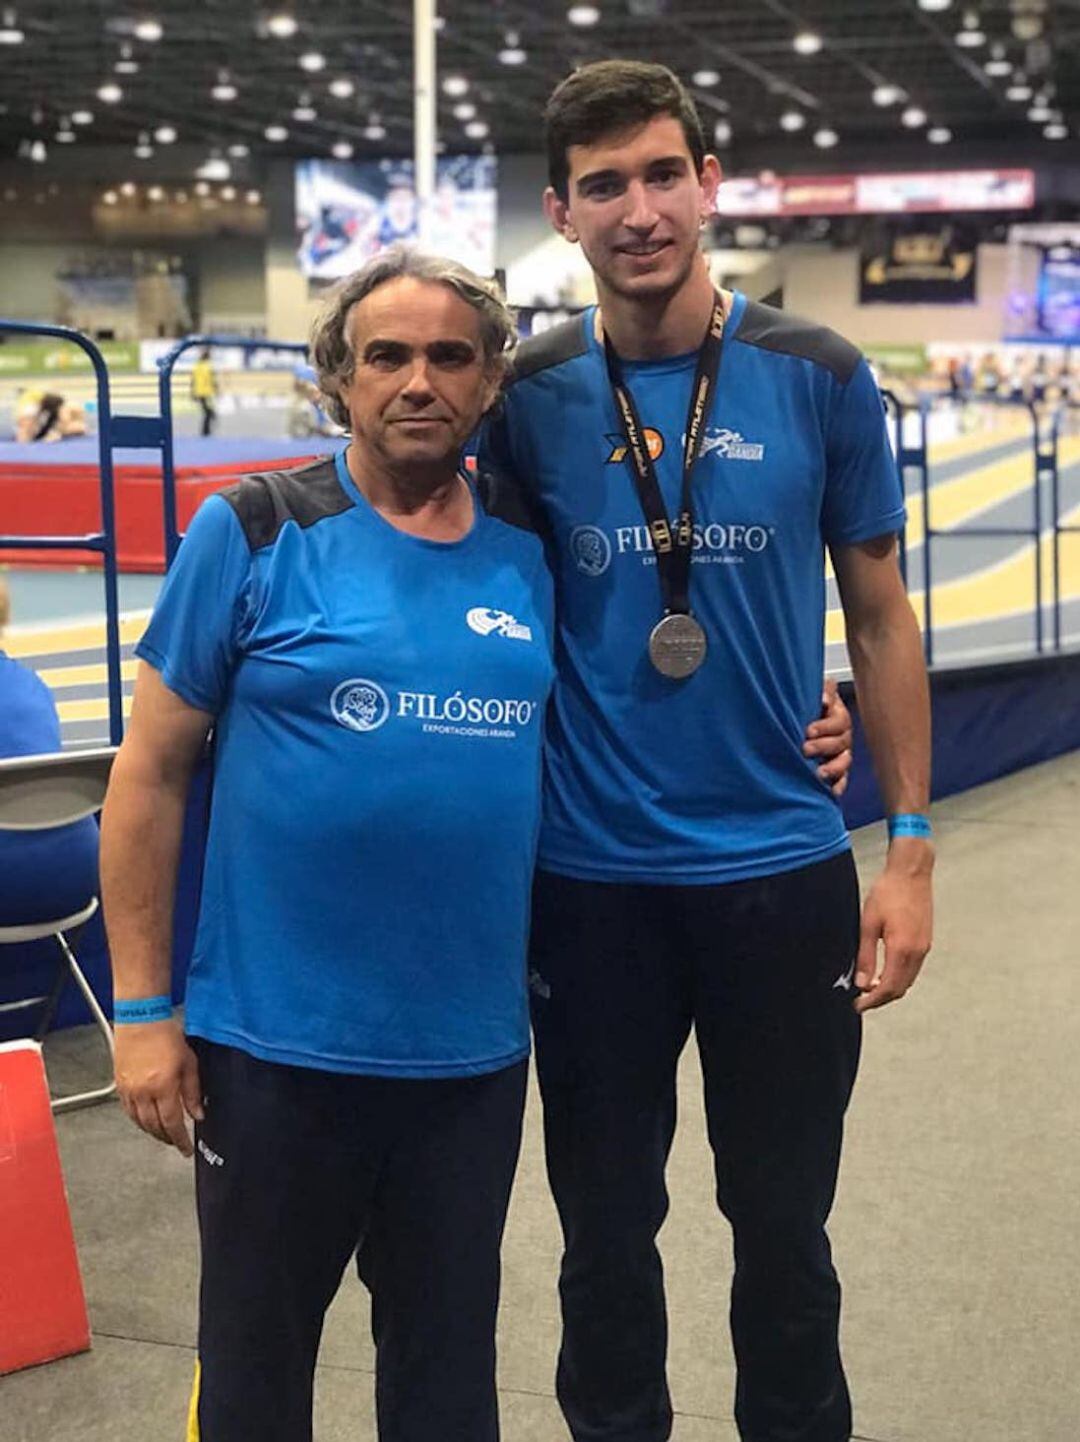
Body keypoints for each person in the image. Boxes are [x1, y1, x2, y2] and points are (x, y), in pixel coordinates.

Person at [477, 59, 933, 1442]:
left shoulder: (819, 374)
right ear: (563, 212)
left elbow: (878, 608)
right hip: (592, 881)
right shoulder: (534, 393)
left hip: (779, 869)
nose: (639, 209)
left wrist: (909, 844)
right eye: (603, 184)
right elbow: (481, 605)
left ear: (709, 186)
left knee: (785, 1229)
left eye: (662, 173)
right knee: (604, 1237)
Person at [99, 248, 555, 1442]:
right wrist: (144, 1012)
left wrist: (812, 722)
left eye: (450, 356)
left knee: (448, 1382)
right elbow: (144, 780)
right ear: (338, 383)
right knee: (254, 1378)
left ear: (491, 381)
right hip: (274, 1055)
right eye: (387, 356)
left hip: (468, 1060)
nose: (419, 380)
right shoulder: (252, 529)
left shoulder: (530, 545)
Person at [190, 347, 218, 436]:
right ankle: (205, 431)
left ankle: (206, 430)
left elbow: (193, 380)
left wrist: (192, 392)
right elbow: (212, 379)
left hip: (199, 392)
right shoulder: (209, 366)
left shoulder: (197, 366)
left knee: (207, 412)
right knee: (209, 412)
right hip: (206, 392)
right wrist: (216, 389)